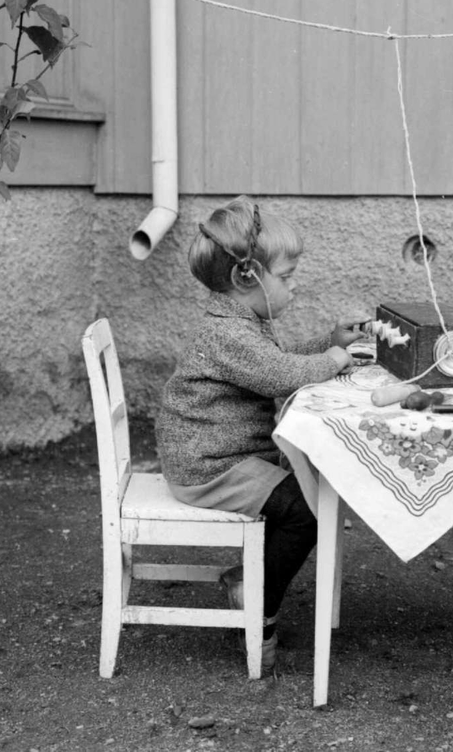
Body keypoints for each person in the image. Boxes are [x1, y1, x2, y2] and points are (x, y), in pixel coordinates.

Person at [156, 196, 369, 676]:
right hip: (211, 467)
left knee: (309, 493)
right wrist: (334, 362)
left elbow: (282, 361)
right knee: (305, 512)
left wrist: (330, 344)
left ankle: (248, 579)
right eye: (287, 276)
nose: (294, 285)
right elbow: (278, 375)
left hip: (227, 456)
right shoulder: (228, 336)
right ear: (246, 277)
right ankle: (257, 607)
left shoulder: (243, 324)